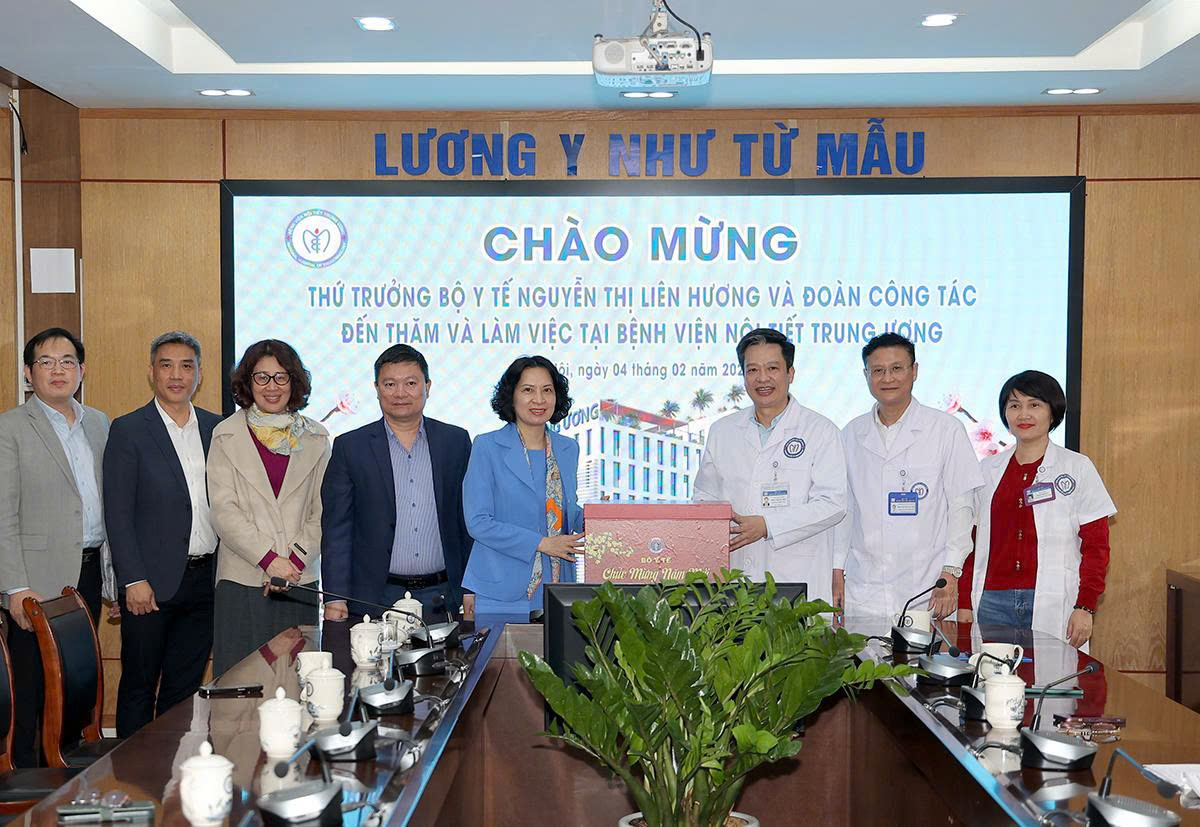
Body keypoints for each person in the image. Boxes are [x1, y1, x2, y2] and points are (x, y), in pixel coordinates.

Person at [0, 327, 111, 767]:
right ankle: (25, 781)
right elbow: (3, 514)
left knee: (74, 684)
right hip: (36, 579)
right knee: (32, 690)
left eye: (67, 361)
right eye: (46, 362)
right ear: (29, 374)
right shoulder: (10, 427)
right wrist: (14, 587)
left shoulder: (99, 423)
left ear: (81, 370)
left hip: (88, 570)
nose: (57, 370)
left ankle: (66, 774)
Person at [104, 331, 221, 736]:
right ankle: (133, 771)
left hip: (205, 582)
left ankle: (174, 767)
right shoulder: (129, 429)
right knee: (139, 685)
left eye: (186, 366)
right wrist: (133, 579)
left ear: (199, 374)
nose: (176, 375)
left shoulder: (217, 428)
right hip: (149, 585)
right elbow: (117, 513)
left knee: (184, 690)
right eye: (166, 365)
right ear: (151, 372)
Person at [958, 371, 1114, 649]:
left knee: (1053, 675)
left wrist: (1085, 606)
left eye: (1034, 405)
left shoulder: (1077, 467)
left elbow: (1096, 547)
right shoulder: (987, 470)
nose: (1023, 414)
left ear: (1053, 412)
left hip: (1054, 600)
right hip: (992, 602)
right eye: (1014, 405)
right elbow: (971, 544)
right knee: (994, 674)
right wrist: (963, 603)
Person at [834, 333, 983, 621]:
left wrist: (951, 571)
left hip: (927, 588)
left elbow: (962, 508)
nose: (887, 378)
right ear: (866, 376)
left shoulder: (945, 429)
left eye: (897, 368)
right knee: (864, 651)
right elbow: (845, 509)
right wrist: (837, 569)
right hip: (865, 588)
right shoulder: (851, 434)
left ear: (914, 371)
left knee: (923, 651)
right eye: (878, 370)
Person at [321, 344, 472, 623]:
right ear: (377, 388)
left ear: (428, 386)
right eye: (390, 384)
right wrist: (334, 596)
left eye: (411, 383)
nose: (400, 393)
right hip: (374, 597)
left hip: (442, 596)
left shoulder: (455, 441)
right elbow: (337, 530)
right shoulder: (350, 447)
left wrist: (471, 588)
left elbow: (467, 523)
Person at [693, 328, 846, 603]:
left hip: (797, 577)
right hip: (734, 578)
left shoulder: (821, 431)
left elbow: (833, 503)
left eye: (772, 368)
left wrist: (768, 526)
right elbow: (705, 499)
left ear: (790, 373)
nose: (762, 378)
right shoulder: (722, 431)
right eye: (752, 370)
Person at [207, 340, 330, 676]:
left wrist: (293, 562)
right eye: (261, 377)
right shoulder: (225, 435)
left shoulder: (317, 438)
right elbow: (224, 510)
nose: (271, 387)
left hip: (298, 580)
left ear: (294, 382)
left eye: (281, 377)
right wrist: (269, 560)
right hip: (242, 580)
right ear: (248, 383)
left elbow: (322, 512)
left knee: (296, 683)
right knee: (239, 686)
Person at [461, 356, 583, 617]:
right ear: (511, 396)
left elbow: (566, 513)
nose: (539, 399)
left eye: (547, 390)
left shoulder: (568, 448)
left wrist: (600, 517)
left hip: (559, 585)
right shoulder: (487, 447)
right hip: (500, 588)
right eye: (528, 390)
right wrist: (540, 543)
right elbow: (478, 522)